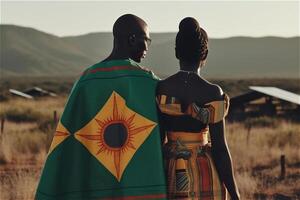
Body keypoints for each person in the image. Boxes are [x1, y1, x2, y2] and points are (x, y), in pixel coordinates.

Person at [35, 14, 167, 200]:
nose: (147, 48)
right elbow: (162, 136)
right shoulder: (149, 83)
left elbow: (66, 138)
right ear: (132, 39)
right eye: (147, 40)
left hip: (93, 184)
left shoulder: (86, 80)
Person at [156, 17, 240, 199]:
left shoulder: (162, 88)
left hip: (170, 171)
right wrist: (235, 193)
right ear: (205, 54)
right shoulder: (211, 92)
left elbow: (157, 140)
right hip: (205, 172)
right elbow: (220, 149)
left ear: (176, 52)